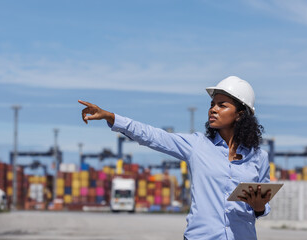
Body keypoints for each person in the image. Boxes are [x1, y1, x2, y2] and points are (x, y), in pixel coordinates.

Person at [78, 76, 272, 240]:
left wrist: (259, 207)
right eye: (212, 104)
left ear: (240, 114)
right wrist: (111, 117)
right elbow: (153, 136)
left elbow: (263, 206)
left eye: (222, 105)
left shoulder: (259, 158)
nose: (213, 109)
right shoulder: (197, 146)